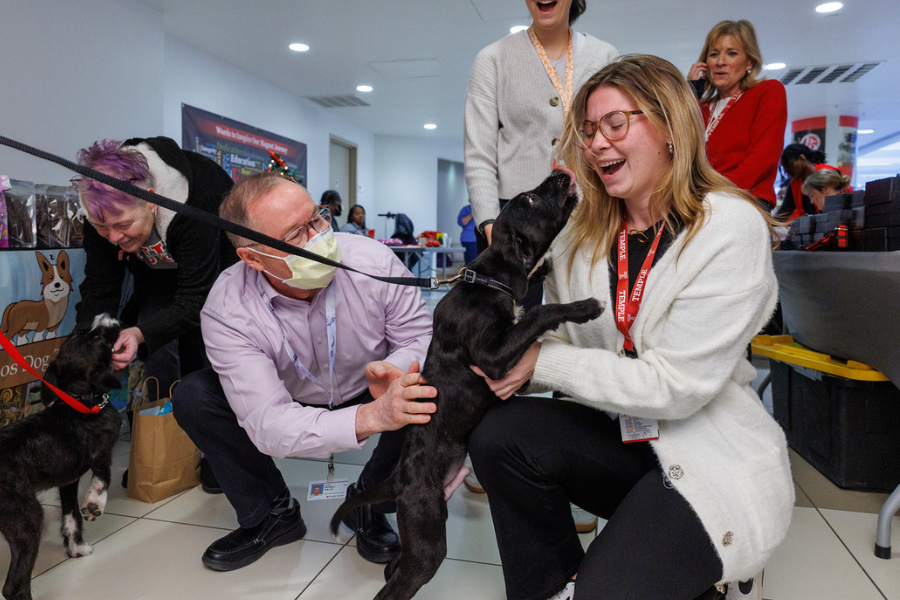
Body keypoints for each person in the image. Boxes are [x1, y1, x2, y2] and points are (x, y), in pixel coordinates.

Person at [468, 55, 793, 600]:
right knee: (500, 435)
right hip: (629, 437)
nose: (595, 144)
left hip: (710, 453)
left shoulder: (729, 229)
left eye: (615, 125)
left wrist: (538, 359)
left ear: (670, 125)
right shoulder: (582, 237)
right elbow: (560, 344)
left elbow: (675, 386)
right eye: (588, 130)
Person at [171, 172, 436, 572]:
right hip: (289, 392)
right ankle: (271, 513)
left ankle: (369, 502)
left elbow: (420, 336)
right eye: (296, 233)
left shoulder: (371, 259)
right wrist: (368, 418)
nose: (318, 236)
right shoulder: (227, 308)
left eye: (317, 217)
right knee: (193, 396)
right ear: (253, 259)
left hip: (371, 382)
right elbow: (269, 423)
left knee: (429, 384)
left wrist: (397, 370)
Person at [463, 0, 617, 528]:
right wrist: (491, 225)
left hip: (586, 221)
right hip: (516, 235)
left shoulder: (603, 55)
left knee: (583, 336)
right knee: (501, 342)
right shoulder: (495, 57)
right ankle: (494, 451)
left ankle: (579, 472)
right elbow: (480, 151)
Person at [687, 20, 787, 209]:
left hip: (744, 201)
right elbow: (679, 155)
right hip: (703, 205)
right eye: (714, 54)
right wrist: (692, 94)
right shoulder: (702, 107)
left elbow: (763, 157)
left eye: (731, 53)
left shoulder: (768, 91)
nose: (720, 62)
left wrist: (718, 195)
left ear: (749, 61)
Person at [778, 143, 830, 219]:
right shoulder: (794, 184)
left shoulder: (828, 174)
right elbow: (784, 213)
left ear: (802, 158)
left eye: (788, 165)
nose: (786, 170)